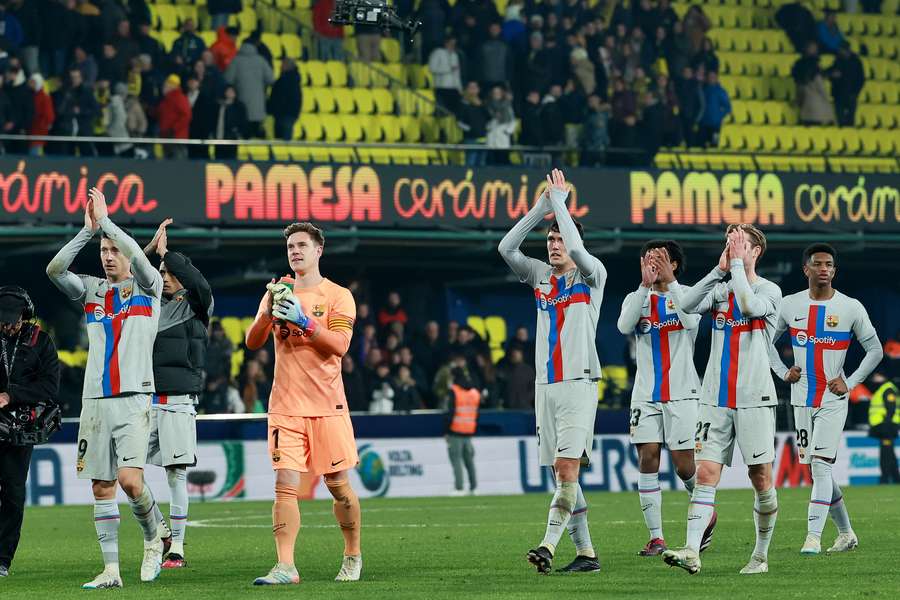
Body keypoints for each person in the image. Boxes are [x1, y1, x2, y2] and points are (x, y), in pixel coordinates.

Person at [45, 188, 164, 588]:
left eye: (114, 250)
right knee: (101, 486)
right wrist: (87, 232)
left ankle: (153, 539)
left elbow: (143, 262)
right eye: (104, 250)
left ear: (130, 255)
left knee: (131, 481)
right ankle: (111, 570)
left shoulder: (149, 289)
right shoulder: (92, 290)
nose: (108, 255)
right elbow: (55, 271)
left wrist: (109, 224)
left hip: (133, 398)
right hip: (95, 401)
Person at [498, 169, 606, 574]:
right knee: (564, 476)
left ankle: (547, 544)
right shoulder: (540, 277)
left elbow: (578, 251)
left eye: (559, 237)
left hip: (579, 383)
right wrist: (540, 208)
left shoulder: (591, 274)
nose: (555, 243)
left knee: (566, 469)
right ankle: (587, 554)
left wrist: (560, 204)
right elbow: (506, 248)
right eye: (551, 239)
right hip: (546, 386)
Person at [245, 222, 361, 584]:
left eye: (301, 246)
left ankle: (353, 553)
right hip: (285, 405)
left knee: (338, 486)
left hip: (328, 406)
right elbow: (252, 342)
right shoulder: (277, 292)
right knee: (285, 484)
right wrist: (267, 312)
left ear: (318, 251)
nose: (294, 251)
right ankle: (285, 566)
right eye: (290, 247)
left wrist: (304, 321)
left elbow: (340, 346)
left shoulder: (339, 295)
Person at [662, 225, 781, 576]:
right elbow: (683, 303)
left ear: (755, 249)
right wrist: (719, 270)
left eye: (738, 241)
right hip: (714, 398)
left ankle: (759, 556)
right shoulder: (721, 289)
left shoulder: (769, 290)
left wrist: (739, 268)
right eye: (728, 241)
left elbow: (749, 304)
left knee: (760, 476)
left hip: (755, 398)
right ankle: (691, 551)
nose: (731, 246)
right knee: (705, 473)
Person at [769, 243, 882, 553]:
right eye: (817, 263)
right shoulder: (790, 304)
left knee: (820, 466)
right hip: (801, 398)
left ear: (834, 270)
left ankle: (813, 537)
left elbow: (876, 350)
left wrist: (851, 381)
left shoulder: (851, 307)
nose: (824, 268)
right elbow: (766, 341)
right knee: (818, 469)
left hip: (833, 399)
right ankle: (846, 533)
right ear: (806, 269)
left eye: (829, 264)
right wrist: (781, 371)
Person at [617, 241, 717, 557]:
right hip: (645, 394)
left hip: (684, 394)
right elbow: (622, 327)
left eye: (660, 259)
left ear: (674, 265)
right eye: (648, 259)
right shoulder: (636, 299)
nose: (654, 264)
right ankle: (656, 537)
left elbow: (691, 323)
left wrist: (671, 286)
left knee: (684, 465)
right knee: (647, 457)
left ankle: (706, 512)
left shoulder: (688, 295)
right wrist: (643, 286)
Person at [142, 219, 214, 569]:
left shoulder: (197, 307)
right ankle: (160, 528)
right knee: (125, 473)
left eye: (169, 272)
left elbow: (201, 283)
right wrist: (149, 252)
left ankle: (178, 548)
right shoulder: (148, 307)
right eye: (160, 271)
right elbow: (128, 277)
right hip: (142, 404)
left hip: (178, 403)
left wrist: (168, 254)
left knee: (176, 475)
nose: (164, 275)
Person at [0, 286, 60, 578]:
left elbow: (50, 388)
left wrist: (11, 394)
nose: (8, 325)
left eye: (13, 319)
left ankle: (2, 559)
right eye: (3, 320)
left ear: (26, 315)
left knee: (13, 494)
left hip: (19, 430)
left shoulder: (42, 343)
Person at [446, 367, 479, 496]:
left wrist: (446, 430)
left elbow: (450, 412)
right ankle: (474, 487)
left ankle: (459, 488)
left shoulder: (454, 391)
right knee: (469, 461)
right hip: (469, 430)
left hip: (456, 430)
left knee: (456, 460)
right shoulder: (474, 392)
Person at [868, 376, 900, 484]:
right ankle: (895, 477)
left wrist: (886, 424)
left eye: (877, 376)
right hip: (885, 426)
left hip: (886, 426)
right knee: (889, 453)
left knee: (886, 454)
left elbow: (891, 408)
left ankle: (885, 478)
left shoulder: (887, 389)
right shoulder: (885, 388)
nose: (874, 378)